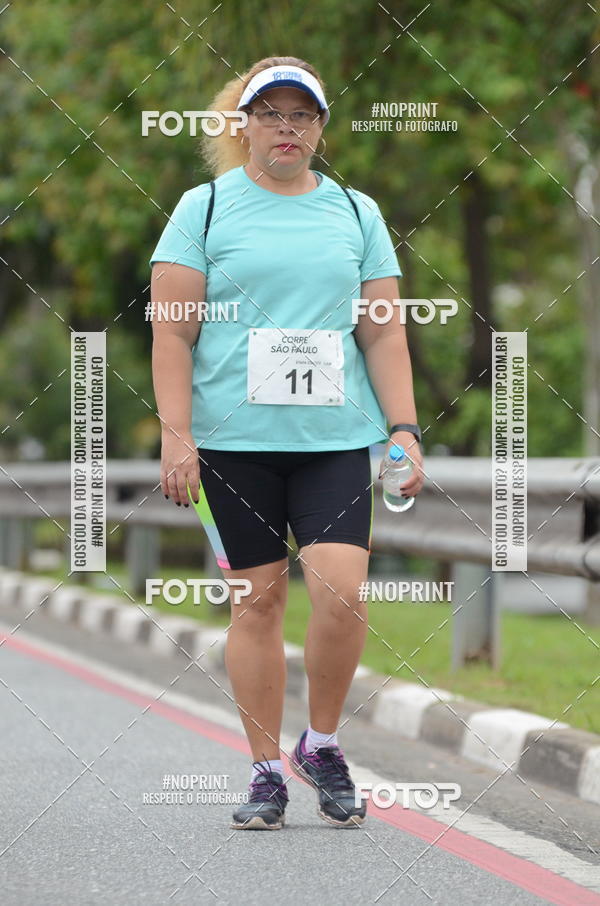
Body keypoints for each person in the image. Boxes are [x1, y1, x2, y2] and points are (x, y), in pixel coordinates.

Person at [149, 55, 424, 831]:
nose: (285, 128)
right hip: (233, 447)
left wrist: (403, 428)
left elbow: (383, 331)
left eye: (301, 116)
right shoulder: (203, 209)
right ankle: (266, 771)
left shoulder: (355, 211)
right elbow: (172, 334)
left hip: (335, 438)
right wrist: (179, 437)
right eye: (269, 114)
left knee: (341, 591)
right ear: (242, 127)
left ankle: (323, 744)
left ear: (320, 129)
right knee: (257, 605)